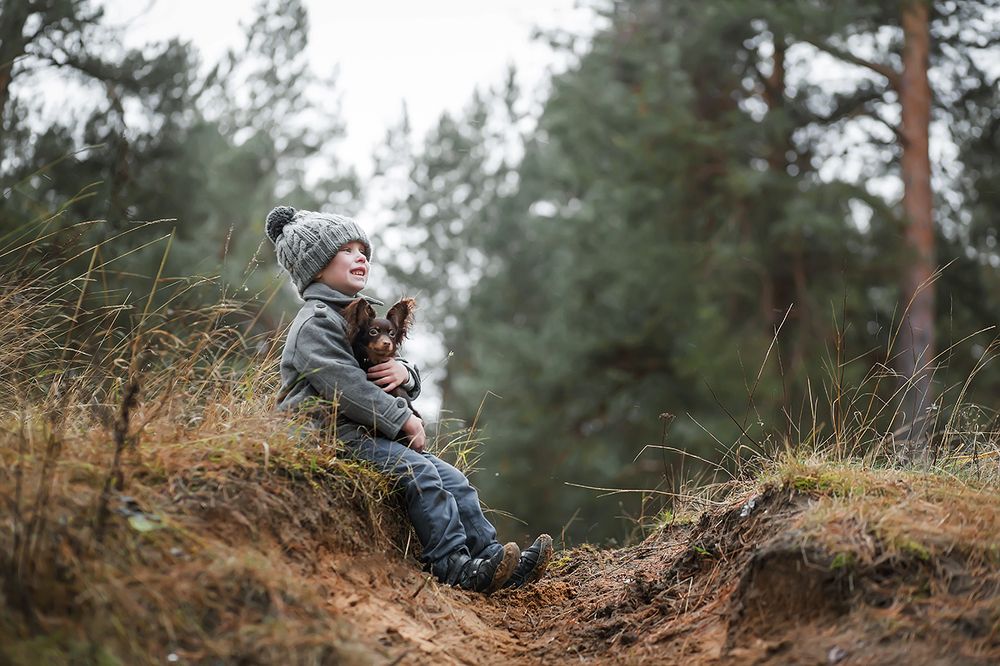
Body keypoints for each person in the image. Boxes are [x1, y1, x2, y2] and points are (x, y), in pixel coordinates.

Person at [266, 205, 552, 594]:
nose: (360, 257)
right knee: (420, 474)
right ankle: (453, 564)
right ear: (315, 268)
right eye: (346, 250)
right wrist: (402, 418)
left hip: (367, 433)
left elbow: (383, 366)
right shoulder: (316, 322)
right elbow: (346, 387)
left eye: (363, 250)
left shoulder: (356, 318)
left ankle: (494, 557)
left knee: (455, 480)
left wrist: (407, 373)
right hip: (328, 435)